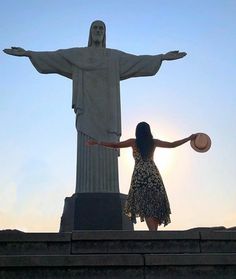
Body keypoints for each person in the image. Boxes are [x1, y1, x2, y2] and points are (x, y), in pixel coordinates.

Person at [3, 20, 187, 194]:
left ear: (105, 33)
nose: (98, 31)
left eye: (101, 28)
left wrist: (161, 58)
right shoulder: (78, 55)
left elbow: (137, 61)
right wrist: (29, 53)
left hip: (108, 113)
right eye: (95, 28)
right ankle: (86, 193)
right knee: (87, 150)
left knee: (107, 155)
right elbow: (55, 57)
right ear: (90, 33)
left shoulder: (114, 57)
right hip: (87, 111)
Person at [87, 122, 197, 231]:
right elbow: (172, 145)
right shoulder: (153, 142)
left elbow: (115, 145)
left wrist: (98, 142)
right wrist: (188, 138)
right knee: (154, 203)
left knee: (145, 203)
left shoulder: (133, 142)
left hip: (140, 176)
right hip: (153, 175)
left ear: (137, 132)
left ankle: (153, 233)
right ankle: (154, 232)